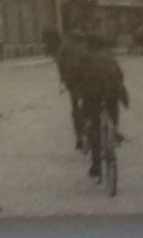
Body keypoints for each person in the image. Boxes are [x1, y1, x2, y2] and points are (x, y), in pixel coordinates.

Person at [72, 33, 130, 181]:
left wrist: (78, 94)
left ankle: (97, 165)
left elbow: (78, 78)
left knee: (93, 127)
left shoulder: (86, 58)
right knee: (113, 113)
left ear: (90, 45)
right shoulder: (111, 57)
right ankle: (114, 131)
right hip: (112, 93)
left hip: (93, 96)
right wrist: (122, 95)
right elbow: (120, 76)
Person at [54, 30, 90, 152]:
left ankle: (79, 136)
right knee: (91, 103)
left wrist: (62, 80)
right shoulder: (87, 43)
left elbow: (60, 62)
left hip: (73, 80)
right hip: (89, 78)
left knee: (75, 107)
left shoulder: (65, 45)